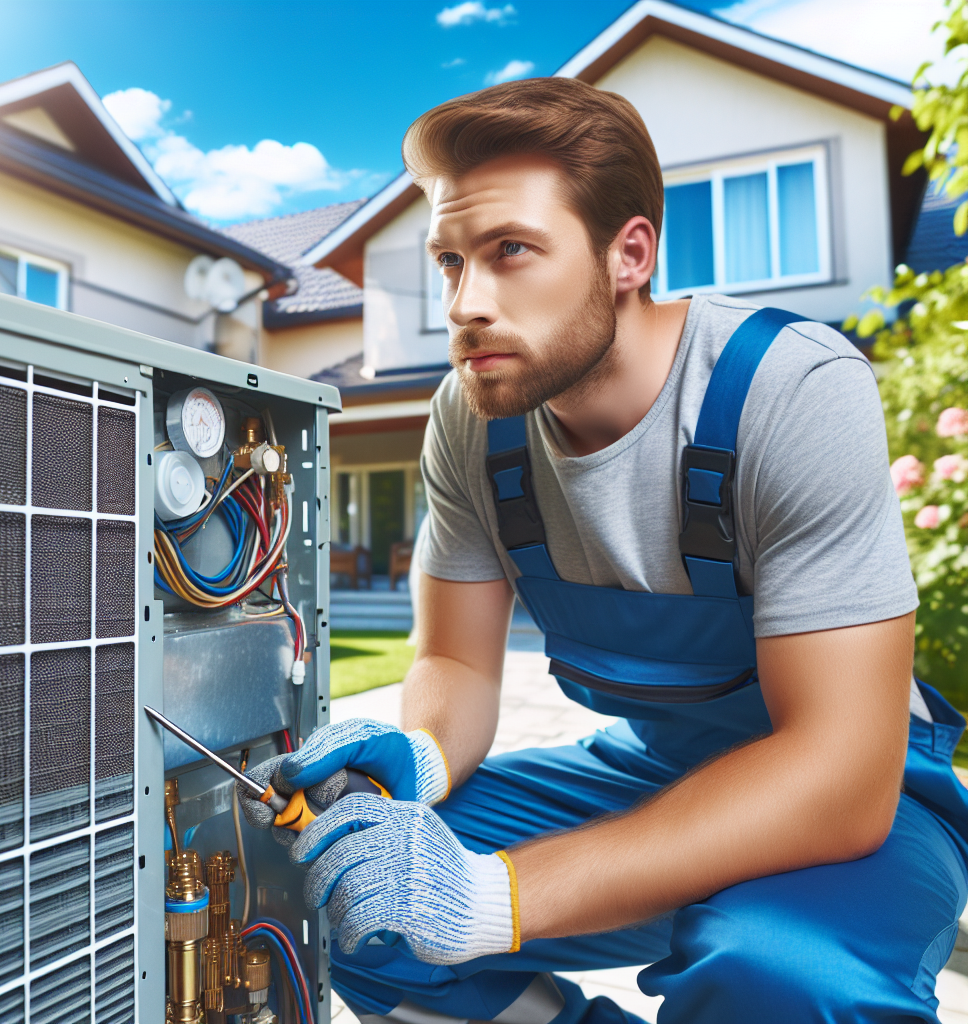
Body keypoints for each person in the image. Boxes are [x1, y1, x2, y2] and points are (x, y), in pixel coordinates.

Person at [239, 77, 968, 1023]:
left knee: (777, 973)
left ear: (629, 255)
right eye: (451, 262)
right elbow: (457, 660)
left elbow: (839, 771)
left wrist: (490, 901)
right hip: (649, 770)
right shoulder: (474, 422)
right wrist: (415, 757)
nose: (466, 303)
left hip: (866, 786)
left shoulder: (789, 390)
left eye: (511, 253)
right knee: (347, 877)